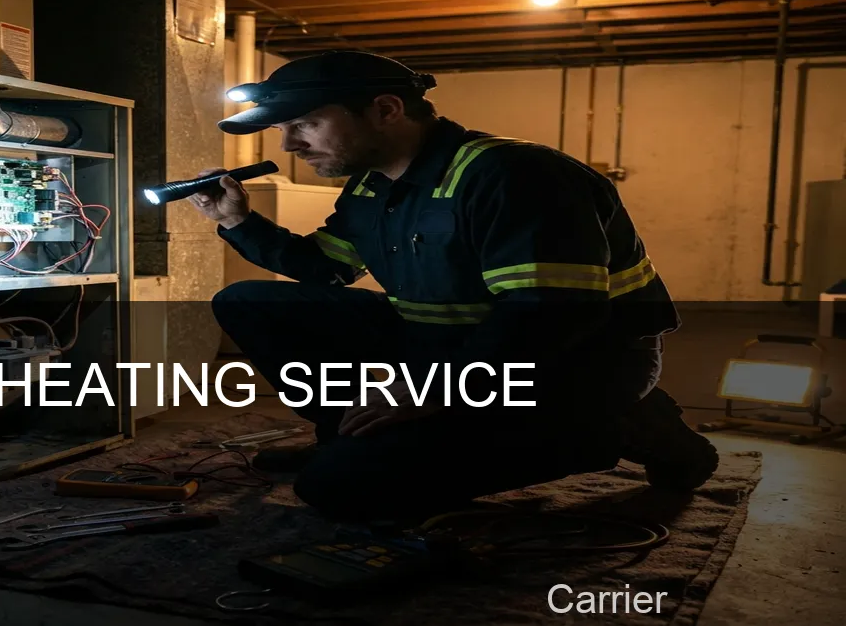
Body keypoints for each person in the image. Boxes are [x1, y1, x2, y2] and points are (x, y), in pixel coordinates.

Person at [190, 50, 718, 524]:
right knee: (249, 302)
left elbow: (548, 317)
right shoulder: (374, 185)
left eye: (305, 124)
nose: (288, 144)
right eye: (284, 128)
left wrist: (432, 393)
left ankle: (614, 426)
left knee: (340, 491)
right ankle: (350, 434)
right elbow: (327, 267)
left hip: (575, 358)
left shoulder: (514, 175)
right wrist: (239, 222)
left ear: (386, 109)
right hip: (454, 344)